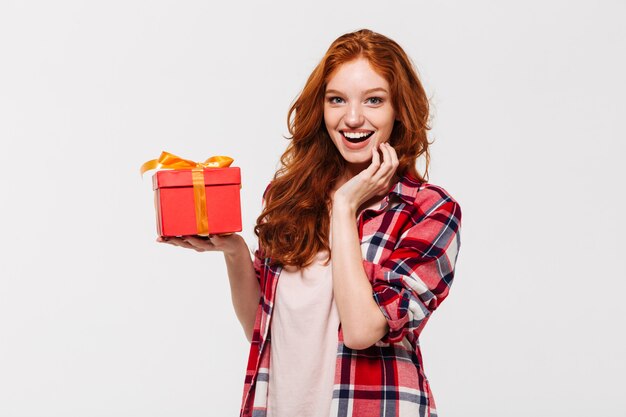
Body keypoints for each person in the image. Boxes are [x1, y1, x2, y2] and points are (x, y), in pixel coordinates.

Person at [160, 28, 462, 417]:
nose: (352, 118)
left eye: (374, 100)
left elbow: (361, 330)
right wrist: (233, 251)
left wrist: (343, 206)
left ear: (399, 110)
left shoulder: (429, 210)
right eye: (337, 100)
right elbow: (264, 327)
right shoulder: (289, 197)